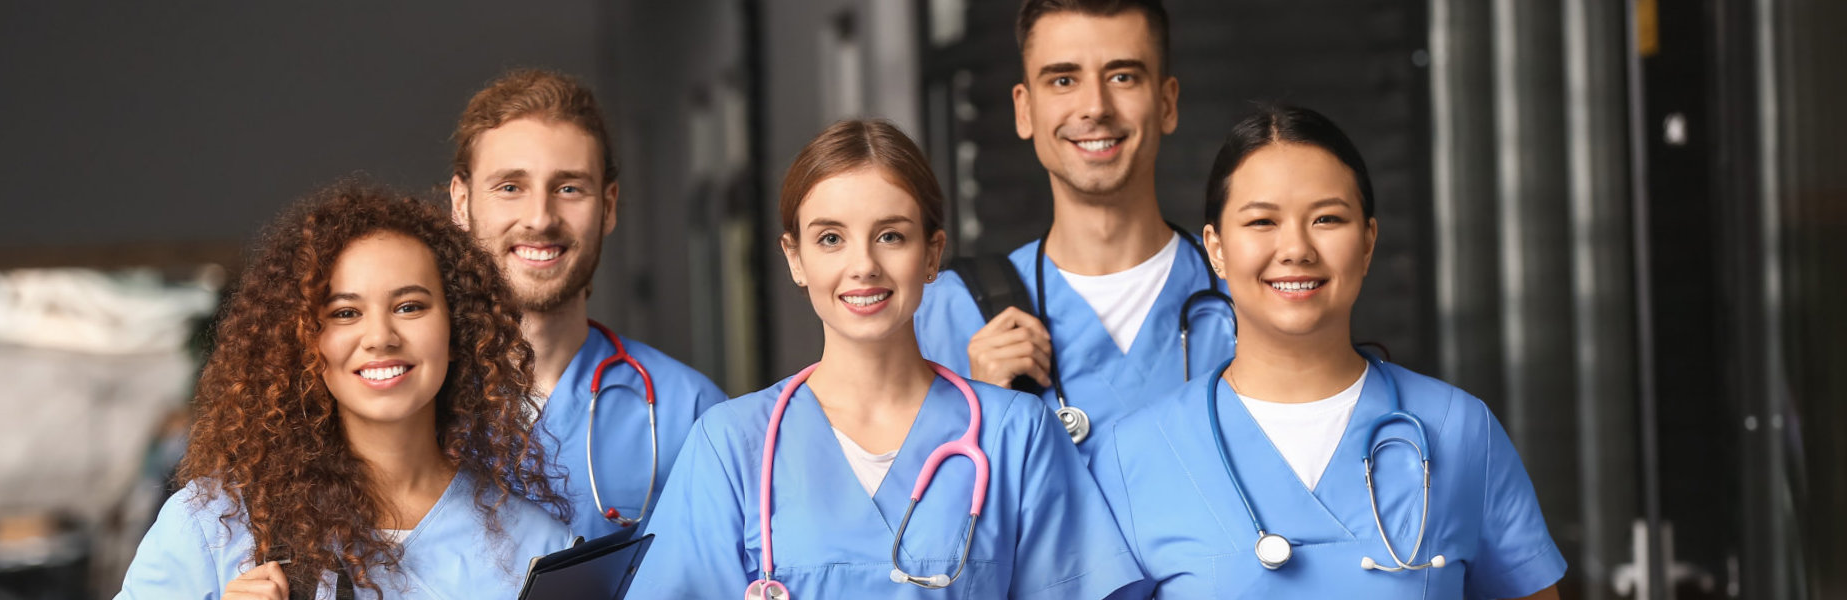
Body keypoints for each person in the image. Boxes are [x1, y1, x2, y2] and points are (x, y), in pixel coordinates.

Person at [631, 120, 1141, 599]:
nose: (863, 266)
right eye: (831, 239)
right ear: (795, 258)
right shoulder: (729, 445)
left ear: (933, 254)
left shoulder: (1017, 433)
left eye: (891, 236)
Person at [1090, 105, 1566, 599]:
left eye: (1327, 218)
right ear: (1216, 249)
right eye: (1261, 222)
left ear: (1367, 242)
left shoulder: (1459, 431)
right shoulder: (1136, 455)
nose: (1296, 248)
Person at [116, 181, 575, 599]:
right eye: (344, 313)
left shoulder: (541, 553)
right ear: (304, 340)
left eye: (409, 306)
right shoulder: (211, 528)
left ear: (457, 331)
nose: (380, 337)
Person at [914, 0, 1233, 460]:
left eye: (1122, 76)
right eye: (1063, 80)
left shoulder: (1246, 300)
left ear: (1167, 103)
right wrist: (980, 413)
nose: (1095, 107)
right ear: (1024, 110)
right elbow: (914, 520)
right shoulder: (946, 313)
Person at [448, 69, 728, 539]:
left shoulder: (690, 413)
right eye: (510, 187)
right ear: (461, 202)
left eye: (569, 188)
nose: (540, 218)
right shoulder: (413, 397)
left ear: (610, 205)